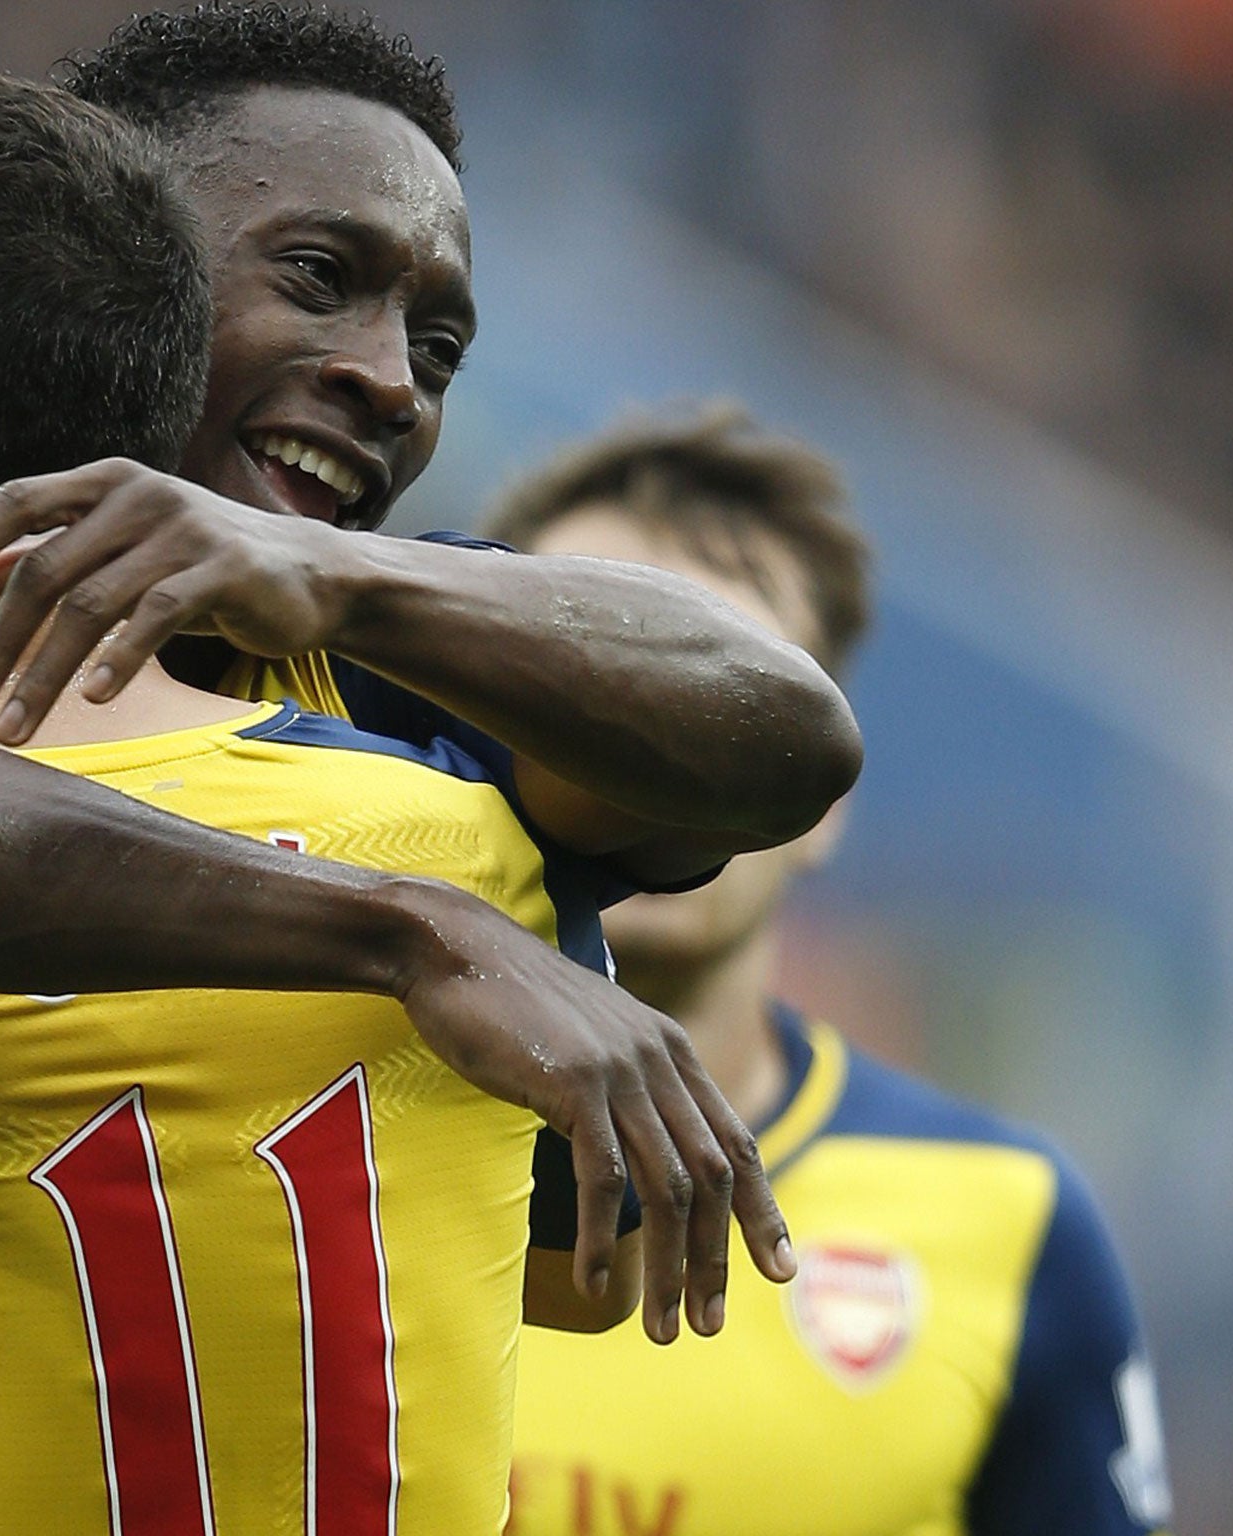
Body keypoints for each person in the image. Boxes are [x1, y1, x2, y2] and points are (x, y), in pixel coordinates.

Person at [0, 7, 855, 1528]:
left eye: (436, 346)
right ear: (121, 252)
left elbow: (784, 739)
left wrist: (336, 580)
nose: (392, 380)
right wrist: (408, 933)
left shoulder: (379, 643)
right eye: (319, 280)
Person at [494, 406, 1174, 1536]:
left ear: (823, 802)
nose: (652, 755)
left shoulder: (1007, 1224)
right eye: (592, 675)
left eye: (732, 706)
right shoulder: (313, 1142)